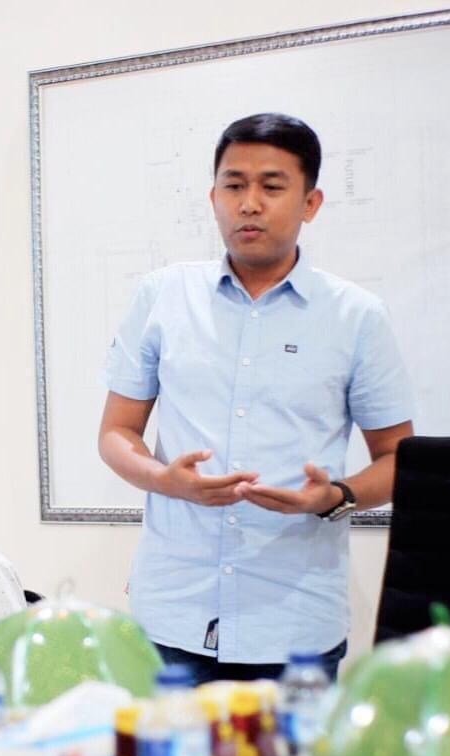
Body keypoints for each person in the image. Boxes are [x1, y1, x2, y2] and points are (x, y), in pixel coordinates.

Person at [99, 113, 414, 684]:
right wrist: (165, 480)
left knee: (289, 751)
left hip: (294, 621)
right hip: (173, 611)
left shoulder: (357, 317)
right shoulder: (162, 297)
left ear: (310, 203)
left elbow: (399, 459)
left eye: (271, 186)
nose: (249, 204)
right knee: (168, 749)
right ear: (213, 197)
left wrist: (335, 496)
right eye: (234, 185)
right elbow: (116, 432)